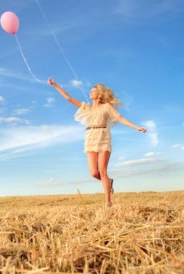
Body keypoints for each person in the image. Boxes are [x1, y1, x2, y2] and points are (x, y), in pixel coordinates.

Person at [48, 78, 147, 207]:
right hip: (90, 137)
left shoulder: (106, 107)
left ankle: (108, 202)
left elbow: (119, 118)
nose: (91, 92)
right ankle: (109, 182)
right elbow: (68, 98)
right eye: (90, 91)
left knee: (103, 171)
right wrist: (56, 85)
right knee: (94, 173)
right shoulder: (86, 107)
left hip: (103, 136)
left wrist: (136, 127)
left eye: (94, 91)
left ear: (99, 94)